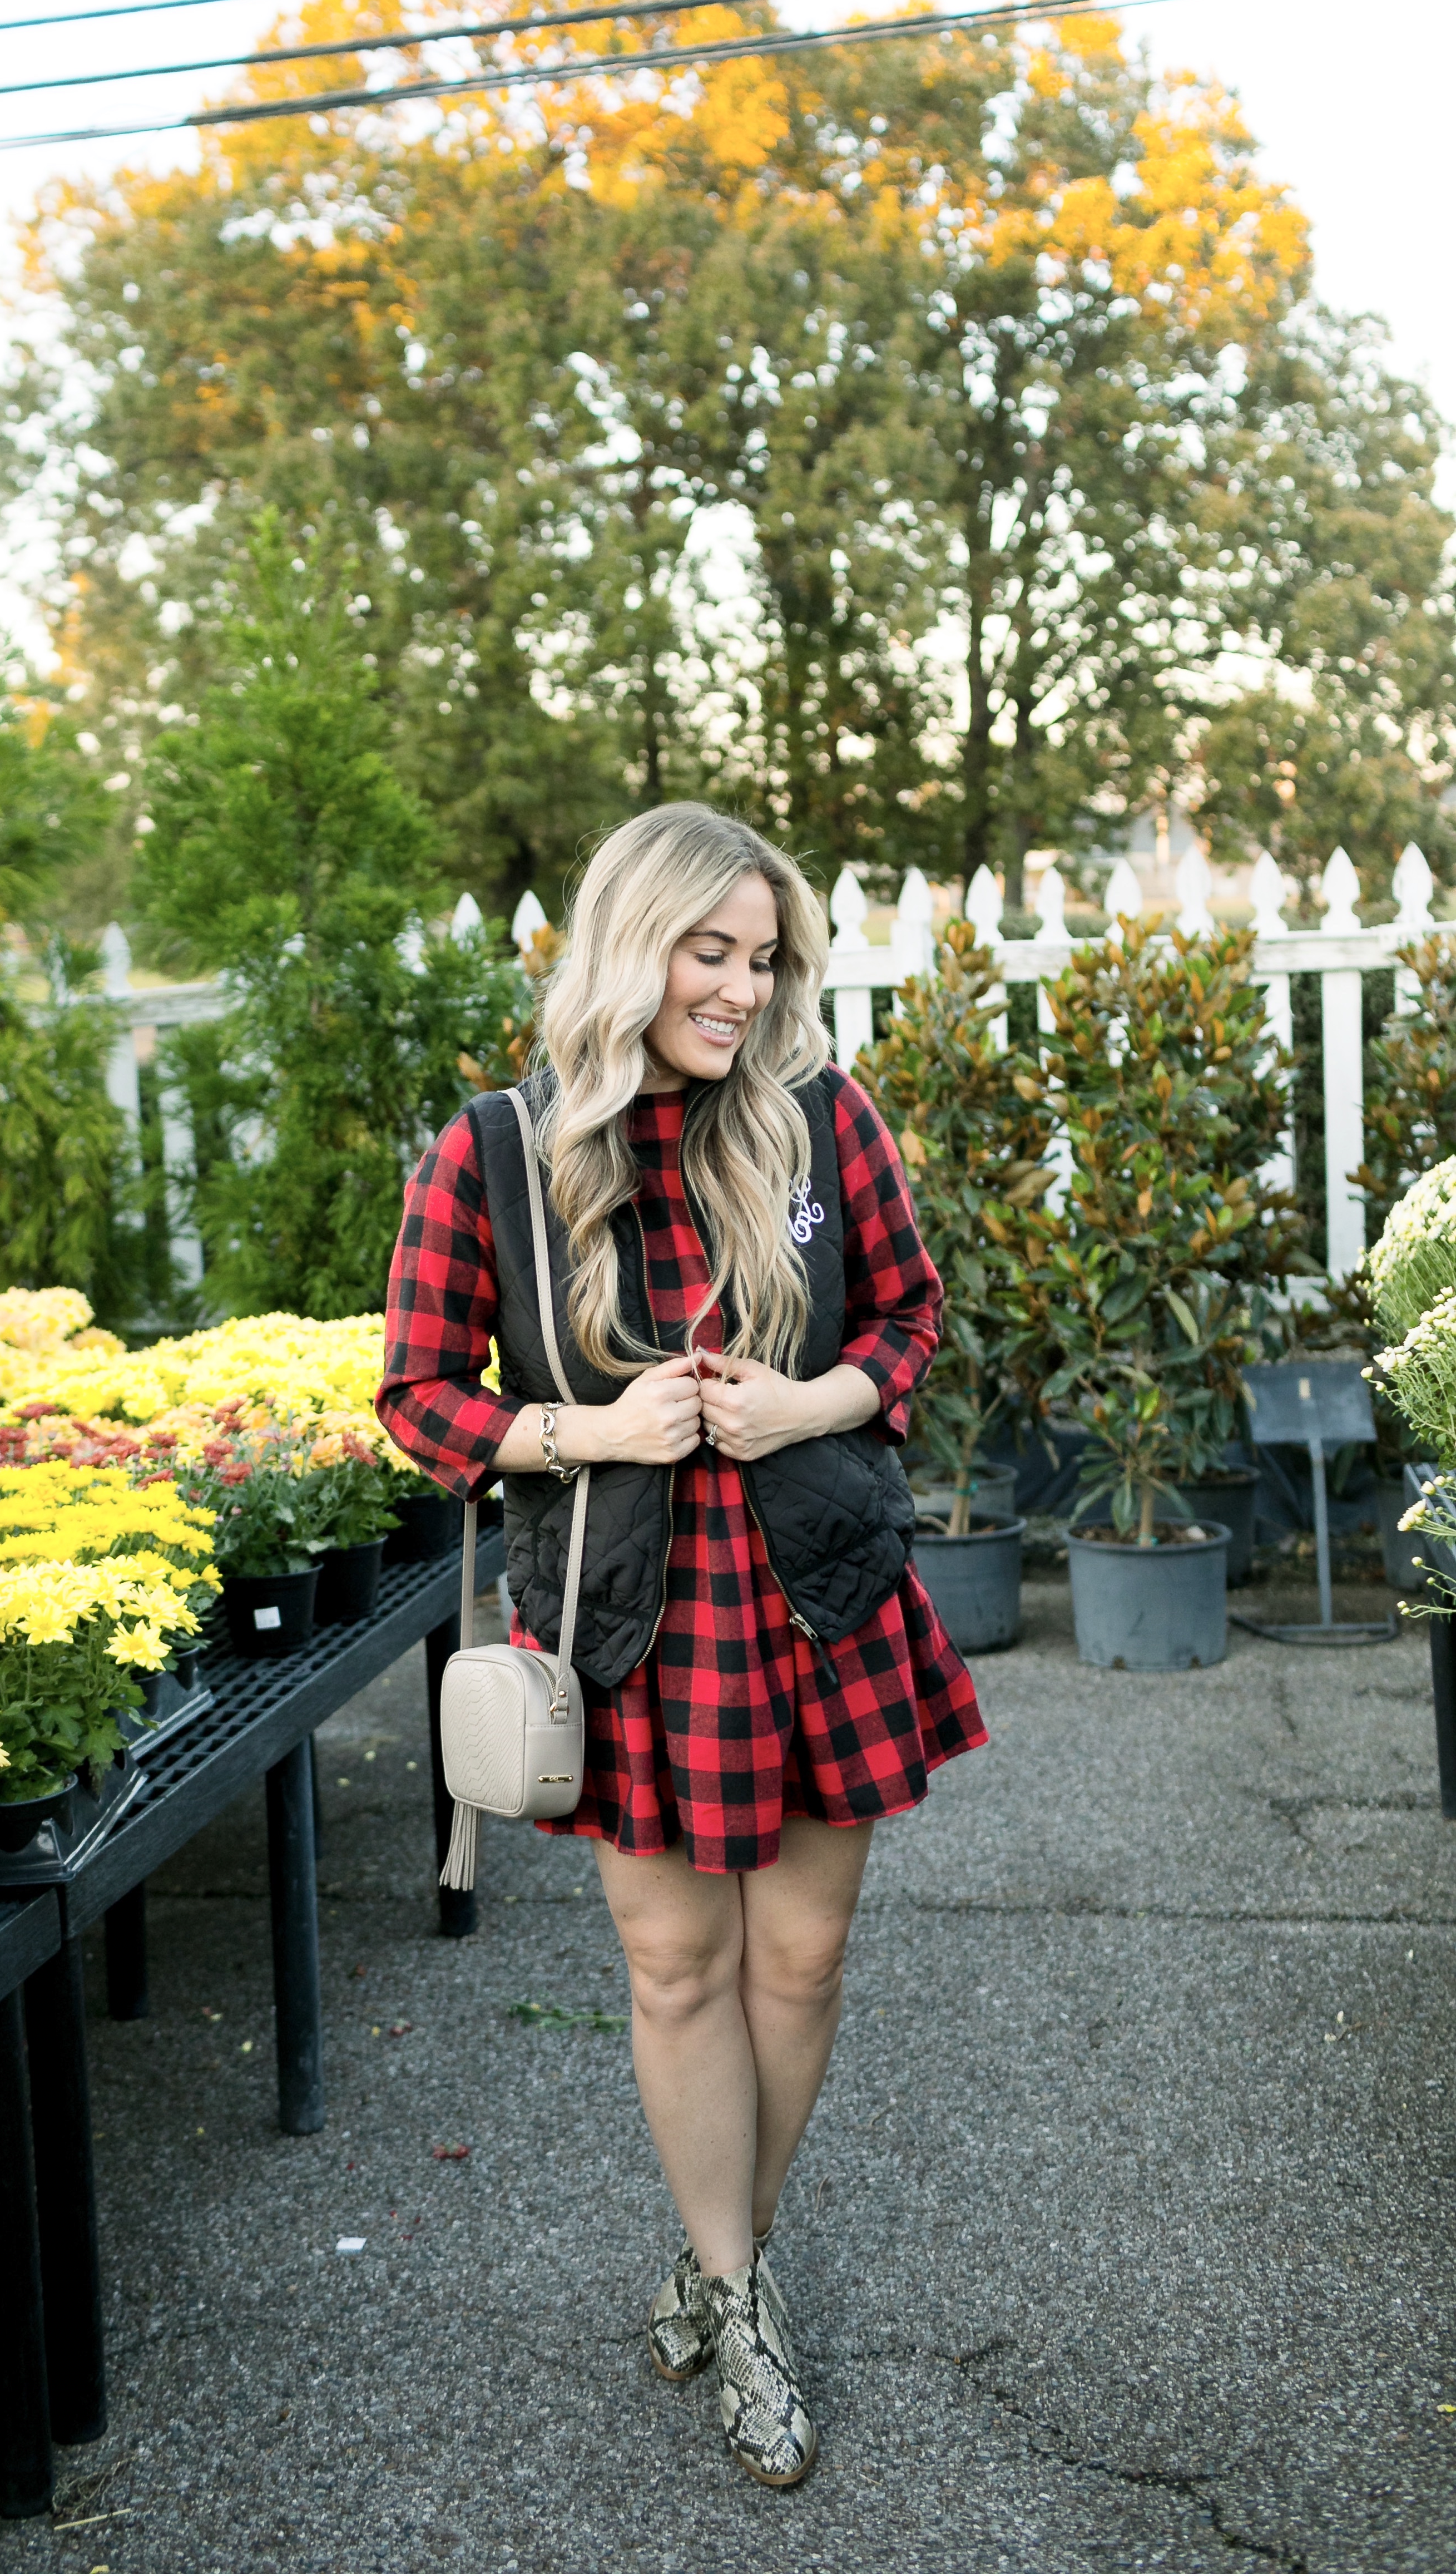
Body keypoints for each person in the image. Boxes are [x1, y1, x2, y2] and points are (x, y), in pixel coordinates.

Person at [378, 802, 985, 2489]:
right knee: (677, 1971)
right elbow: (419, 1402)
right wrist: (590, 1434)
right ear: (629, 943)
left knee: (798, 1964)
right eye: (707, 952)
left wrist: (816, 1399)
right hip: (628, 1620)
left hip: (820, 1601)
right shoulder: (493, 1152)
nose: (738, 987)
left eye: (761, 956)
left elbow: (912, 1317)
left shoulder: (817, 1115)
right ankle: (741, 2292)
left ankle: (726, 2267)